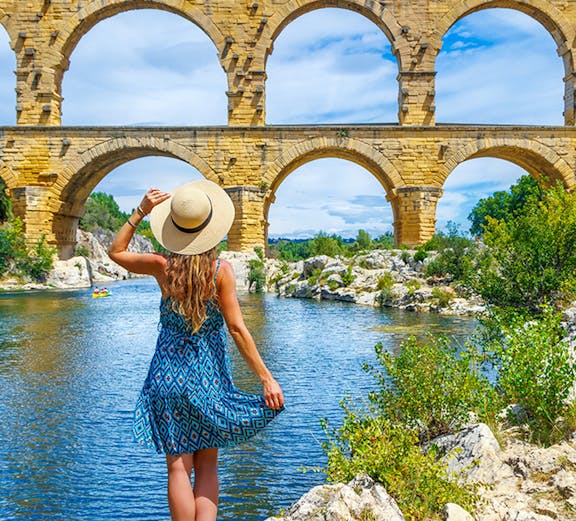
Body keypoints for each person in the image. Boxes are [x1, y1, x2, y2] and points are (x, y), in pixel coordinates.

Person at [108, 182, 285, 521]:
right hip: (207, 378)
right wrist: (266, 379)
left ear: (174, 230)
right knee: (207, 465)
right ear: (212, 229)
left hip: (166, 377)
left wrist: (140, 212)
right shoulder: (221, 272)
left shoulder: (163, 266)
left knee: (178, 467)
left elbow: (116, 252)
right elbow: (236, 329)